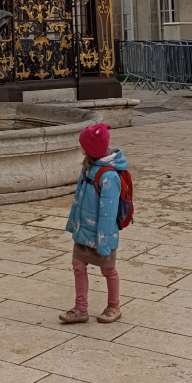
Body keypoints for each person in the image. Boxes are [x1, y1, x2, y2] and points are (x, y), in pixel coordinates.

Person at [60, 121, 130, 325]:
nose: (80, 148)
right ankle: (81, 308)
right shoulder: (88, 169)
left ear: (91, 149)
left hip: (102, 236)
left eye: (83, 145)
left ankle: (114, 306)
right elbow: (78, 201)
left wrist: (104, 241)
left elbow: (108, 214)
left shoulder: (108, 176)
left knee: (108, 270)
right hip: (84, 231)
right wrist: (74, 225)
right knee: (78, 266)